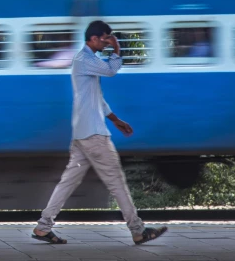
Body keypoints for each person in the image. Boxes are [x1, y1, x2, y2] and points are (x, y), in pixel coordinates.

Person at [31, 20, 168, 246]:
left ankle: (43, 227)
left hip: (83, 135)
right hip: (94, 136)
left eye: (109, 38)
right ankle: (138, 230)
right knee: (116, 182)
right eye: (104, 38)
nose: (107, 42)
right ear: (93, 39)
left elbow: (96, 98)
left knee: (67, 182)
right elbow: (112, 71)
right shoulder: (85, 59)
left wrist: (115, 119)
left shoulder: (85, 61)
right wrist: (117, 49)